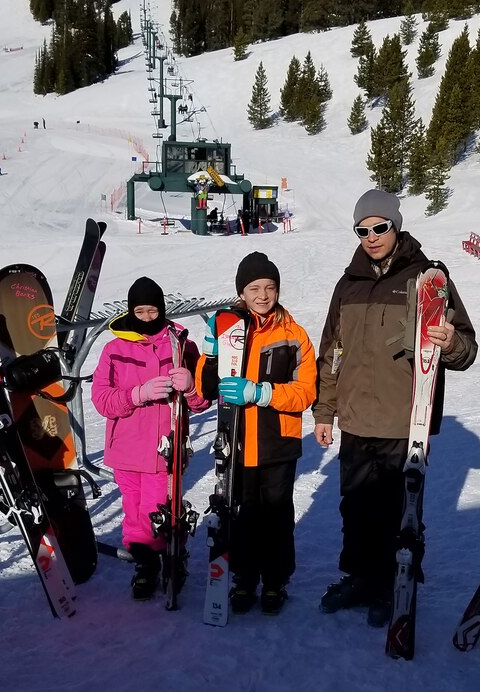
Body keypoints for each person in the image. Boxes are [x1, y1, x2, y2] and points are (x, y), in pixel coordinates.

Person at [313, 189, 477, 628]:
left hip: (403, 422)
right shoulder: (347, 285)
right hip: (355, 418)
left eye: (380, 227)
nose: (371, 237)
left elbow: (466, 348)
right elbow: (332, 351)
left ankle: (393, 582)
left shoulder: (428, 278)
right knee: (355, 508)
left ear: (396, 226)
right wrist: (325, 411)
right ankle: (360, 578)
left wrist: (451, 343)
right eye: (362, 230)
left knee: (397, 510)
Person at [195, 252, 317, 615]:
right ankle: (244, 578)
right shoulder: (230, 329)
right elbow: (205, 388)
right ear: (241, 292)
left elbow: (306, 392)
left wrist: (262, 393)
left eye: (270, 287)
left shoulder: (293, 335)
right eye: (254, 288)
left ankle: (275, 581)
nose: (263, 295)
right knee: (242, 516)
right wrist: (211, 352)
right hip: (237, 441)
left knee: (276, 517)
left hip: (278, 443)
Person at [92, 276, 210, 600]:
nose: (146, 317)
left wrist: (192, 387)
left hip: (164, 449)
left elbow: (201, 402)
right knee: (134, 513)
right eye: (140, 311)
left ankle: (173, 557)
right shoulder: (114, 349)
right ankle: (145, 565)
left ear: (162, 309)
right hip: (126, 448)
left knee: (161, 510)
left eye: (153, 310)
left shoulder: (181, 346)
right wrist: (137, 394)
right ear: (131, 311)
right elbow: (101, 400)